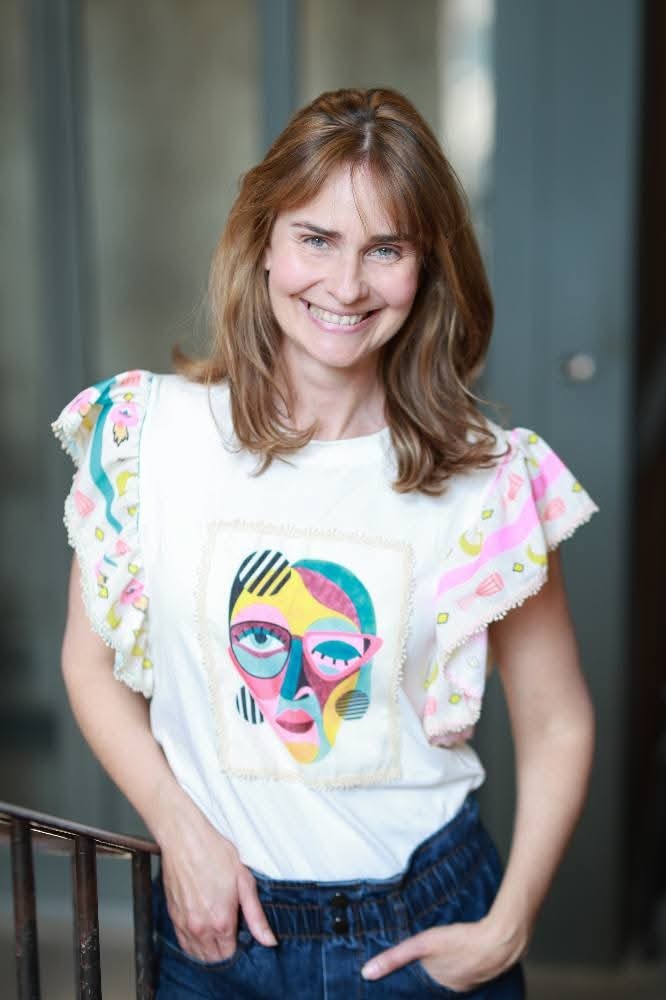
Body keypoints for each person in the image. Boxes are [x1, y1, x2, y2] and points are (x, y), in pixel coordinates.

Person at [52, 88, 597, 998]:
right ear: (263, 240)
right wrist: (178, 827)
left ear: (426, 267)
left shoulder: (490, 479)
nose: (346, 286)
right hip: (215, 929)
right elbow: (89, 664)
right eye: (317, 239)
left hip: (423, 923)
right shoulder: (148, 437)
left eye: (386, 249)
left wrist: (508, 924)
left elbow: (557, 719)